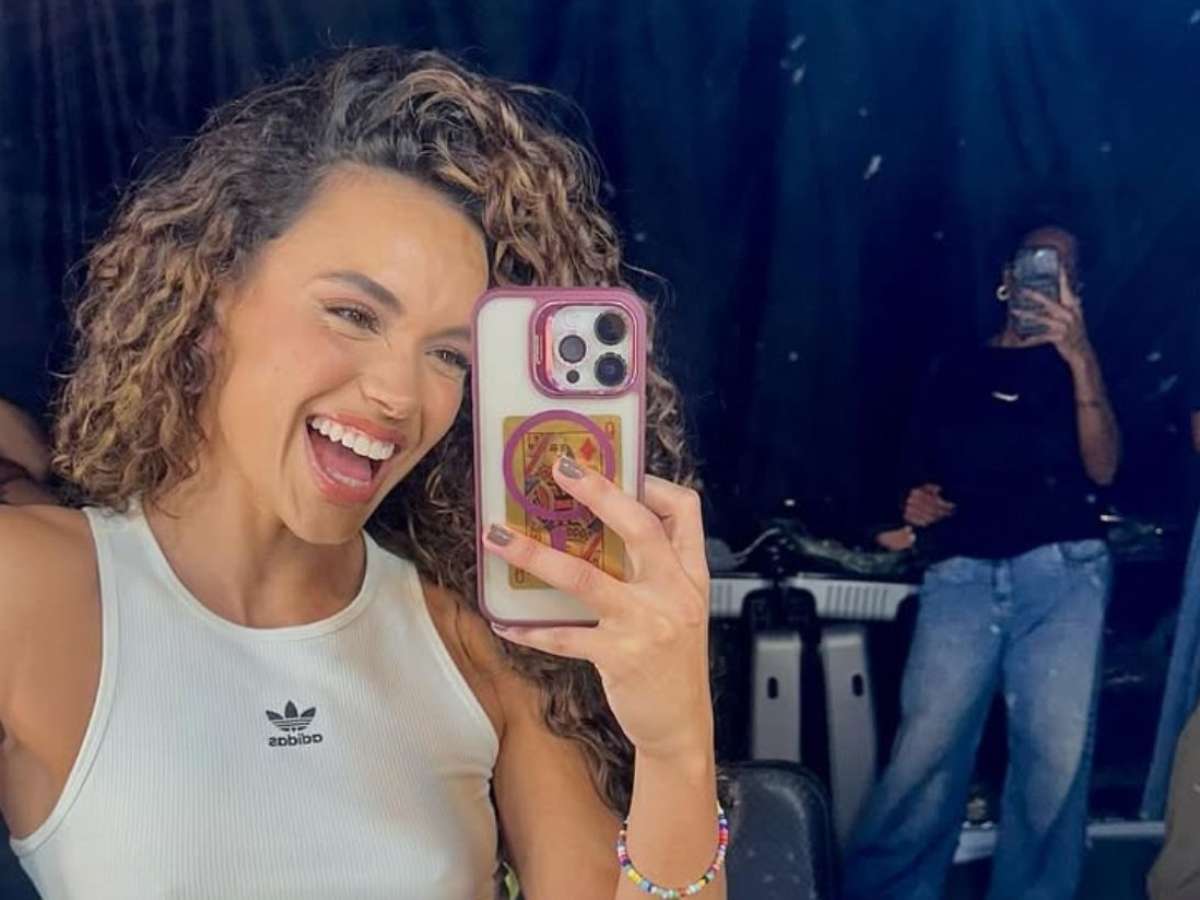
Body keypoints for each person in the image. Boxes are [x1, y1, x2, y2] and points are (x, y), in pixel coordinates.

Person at [0, 49, 727, 900]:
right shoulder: (29, 586)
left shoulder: (480, 643)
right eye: (353, 313)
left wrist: (678, 748)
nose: (399, 394)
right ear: (210, 297)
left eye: (448, 355)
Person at [843, 225, 1121, 900]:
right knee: (925, 753)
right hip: (962, 576)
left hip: (1063, 577)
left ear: (1076, 287)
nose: (1044, 278)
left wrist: (1081, 357)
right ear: (1006, 276)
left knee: (1052, 764)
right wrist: (914, 504)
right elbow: (913, 478)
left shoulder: (1083, 363)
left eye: (1062, 268)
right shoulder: (954, 368)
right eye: (1034, 263)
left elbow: (1105, 469)